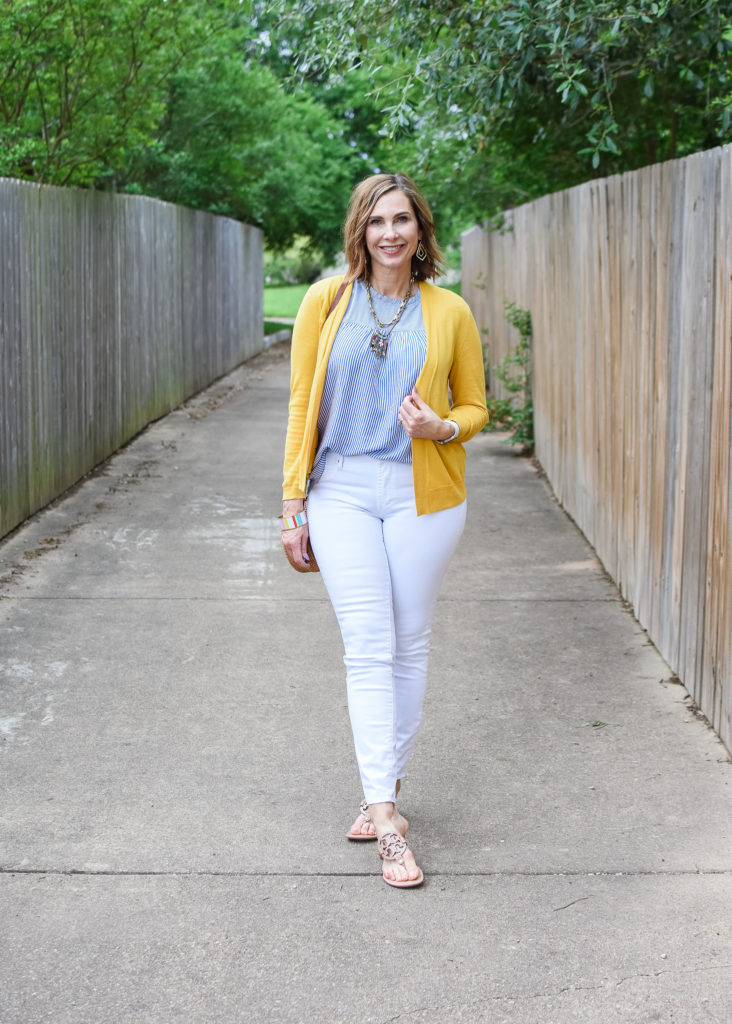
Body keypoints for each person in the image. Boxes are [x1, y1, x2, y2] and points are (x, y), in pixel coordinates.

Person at [281, 173, 488, 889]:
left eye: (402, 220)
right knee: (368, 644)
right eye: (377, 221)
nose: (390, 233)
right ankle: (387, 818)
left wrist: (443, 427)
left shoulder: (450, 310)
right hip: (340, 484)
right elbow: (303, 401)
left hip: (422, 492)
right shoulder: (326, 301)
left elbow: (477, 408)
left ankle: (383, 786)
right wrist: (291, 502)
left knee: (409, 639)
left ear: (421, 232)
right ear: (360, 231)